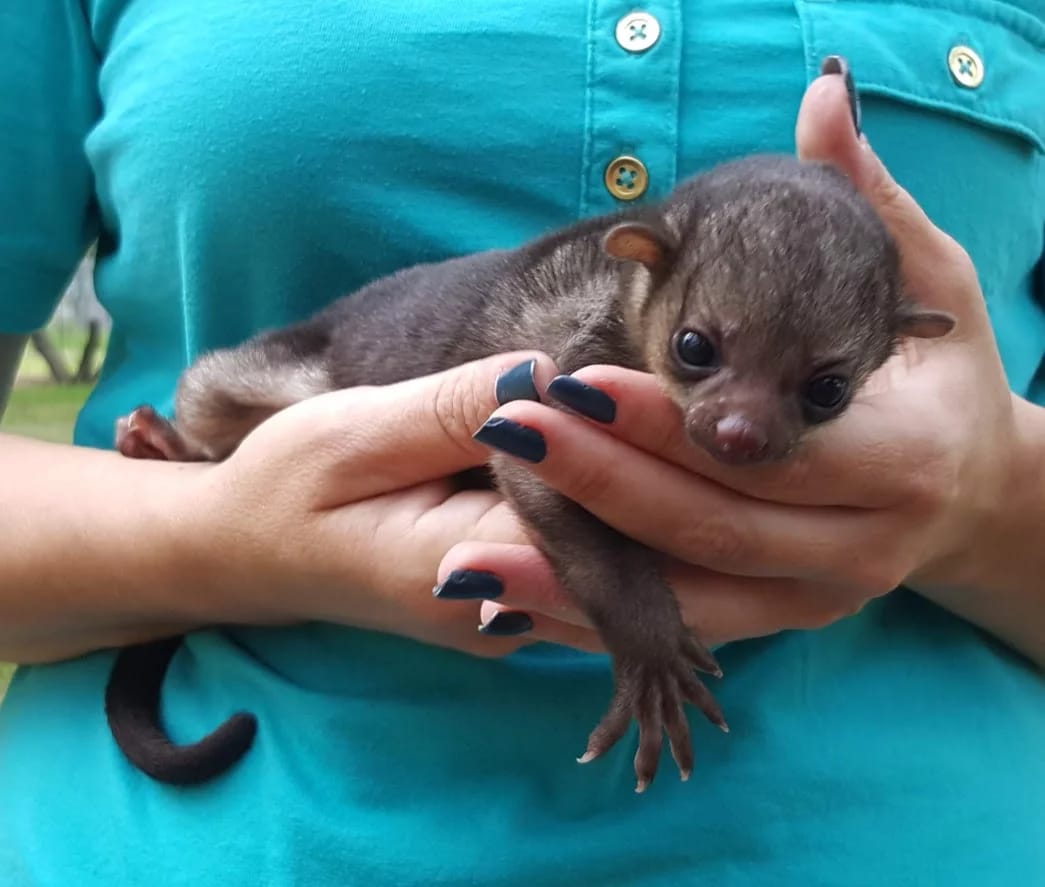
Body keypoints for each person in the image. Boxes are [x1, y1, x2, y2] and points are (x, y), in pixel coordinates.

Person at [1, 3, 1043, 884]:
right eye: (697, 353)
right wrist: (214, 539)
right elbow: (527, 453)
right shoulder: (590, 325)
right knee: (244, 389)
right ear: (643, 269)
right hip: (202, 828)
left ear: (883, 355)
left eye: (818, 390)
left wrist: (984, 498)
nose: (739, 423)